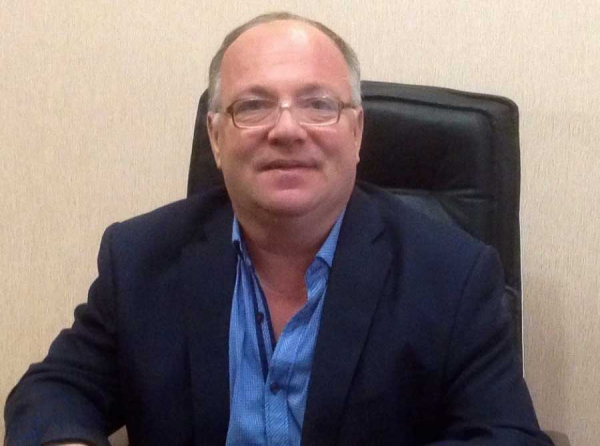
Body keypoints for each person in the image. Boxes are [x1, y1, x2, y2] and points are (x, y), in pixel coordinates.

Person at [4, 12, 553, 446]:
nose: (287, 129)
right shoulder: (140, 257)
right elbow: (54, 391)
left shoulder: (452, 274)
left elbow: (505, 435)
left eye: (318, 105)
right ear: (216, 138)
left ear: (357, 132)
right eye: (254, 105)